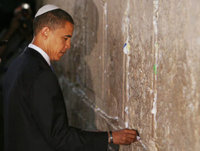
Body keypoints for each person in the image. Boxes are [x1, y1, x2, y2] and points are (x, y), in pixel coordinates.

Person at [3, 4, 138, 151]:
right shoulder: (40, 74)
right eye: (65, 38)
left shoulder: (19, 63)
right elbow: (59, 137)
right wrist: (110, 137)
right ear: (46, 32)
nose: (68, 45)